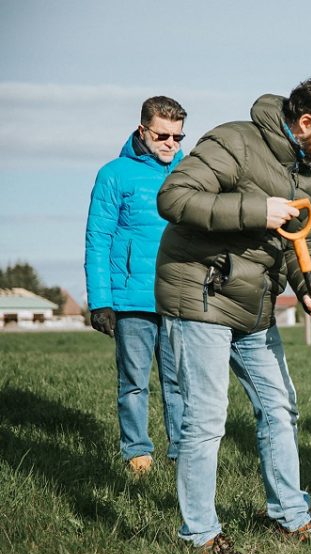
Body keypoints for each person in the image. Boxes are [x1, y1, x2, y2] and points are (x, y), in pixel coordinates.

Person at [155, 74, 311, 554]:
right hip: (200, 294)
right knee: (206, 419)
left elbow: (302, 242)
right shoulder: (235, 141)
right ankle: (200, 533)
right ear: (306, 122)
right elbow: (175, 199)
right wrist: (256, 209)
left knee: (280, 407)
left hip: (255, 305)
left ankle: (290, 515)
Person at [84, 96, 187, 476]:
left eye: (178, 136)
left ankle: (182, 453)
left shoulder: (189, 173)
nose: (171, 144)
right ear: (143, 130)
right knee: (134, 383)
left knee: (179, 383)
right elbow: (98, 238)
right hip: (131, 300)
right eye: (163, 135)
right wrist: (101, 301)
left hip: (178, 297)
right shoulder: (114, 174)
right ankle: (137, 452)